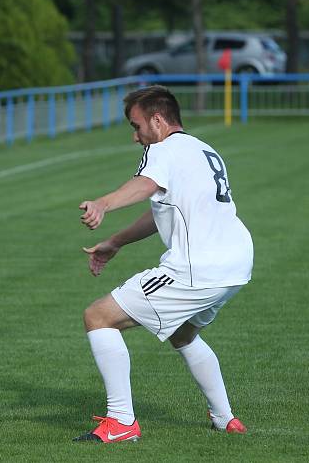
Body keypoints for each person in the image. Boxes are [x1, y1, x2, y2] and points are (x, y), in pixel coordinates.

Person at [74, 85, 252, 443]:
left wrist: (104, 204)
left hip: (196, 268)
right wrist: (115, 242)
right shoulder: (202, 149)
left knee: (99, 317)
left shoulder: (164, 149)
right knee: (183, 332)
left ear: (157, 120)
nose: (135, 136)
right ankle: (225, 418)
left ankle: (122, 421)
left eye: (136, 126)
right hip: (236, 265)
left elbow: (145, 185)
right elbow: (162, 212)